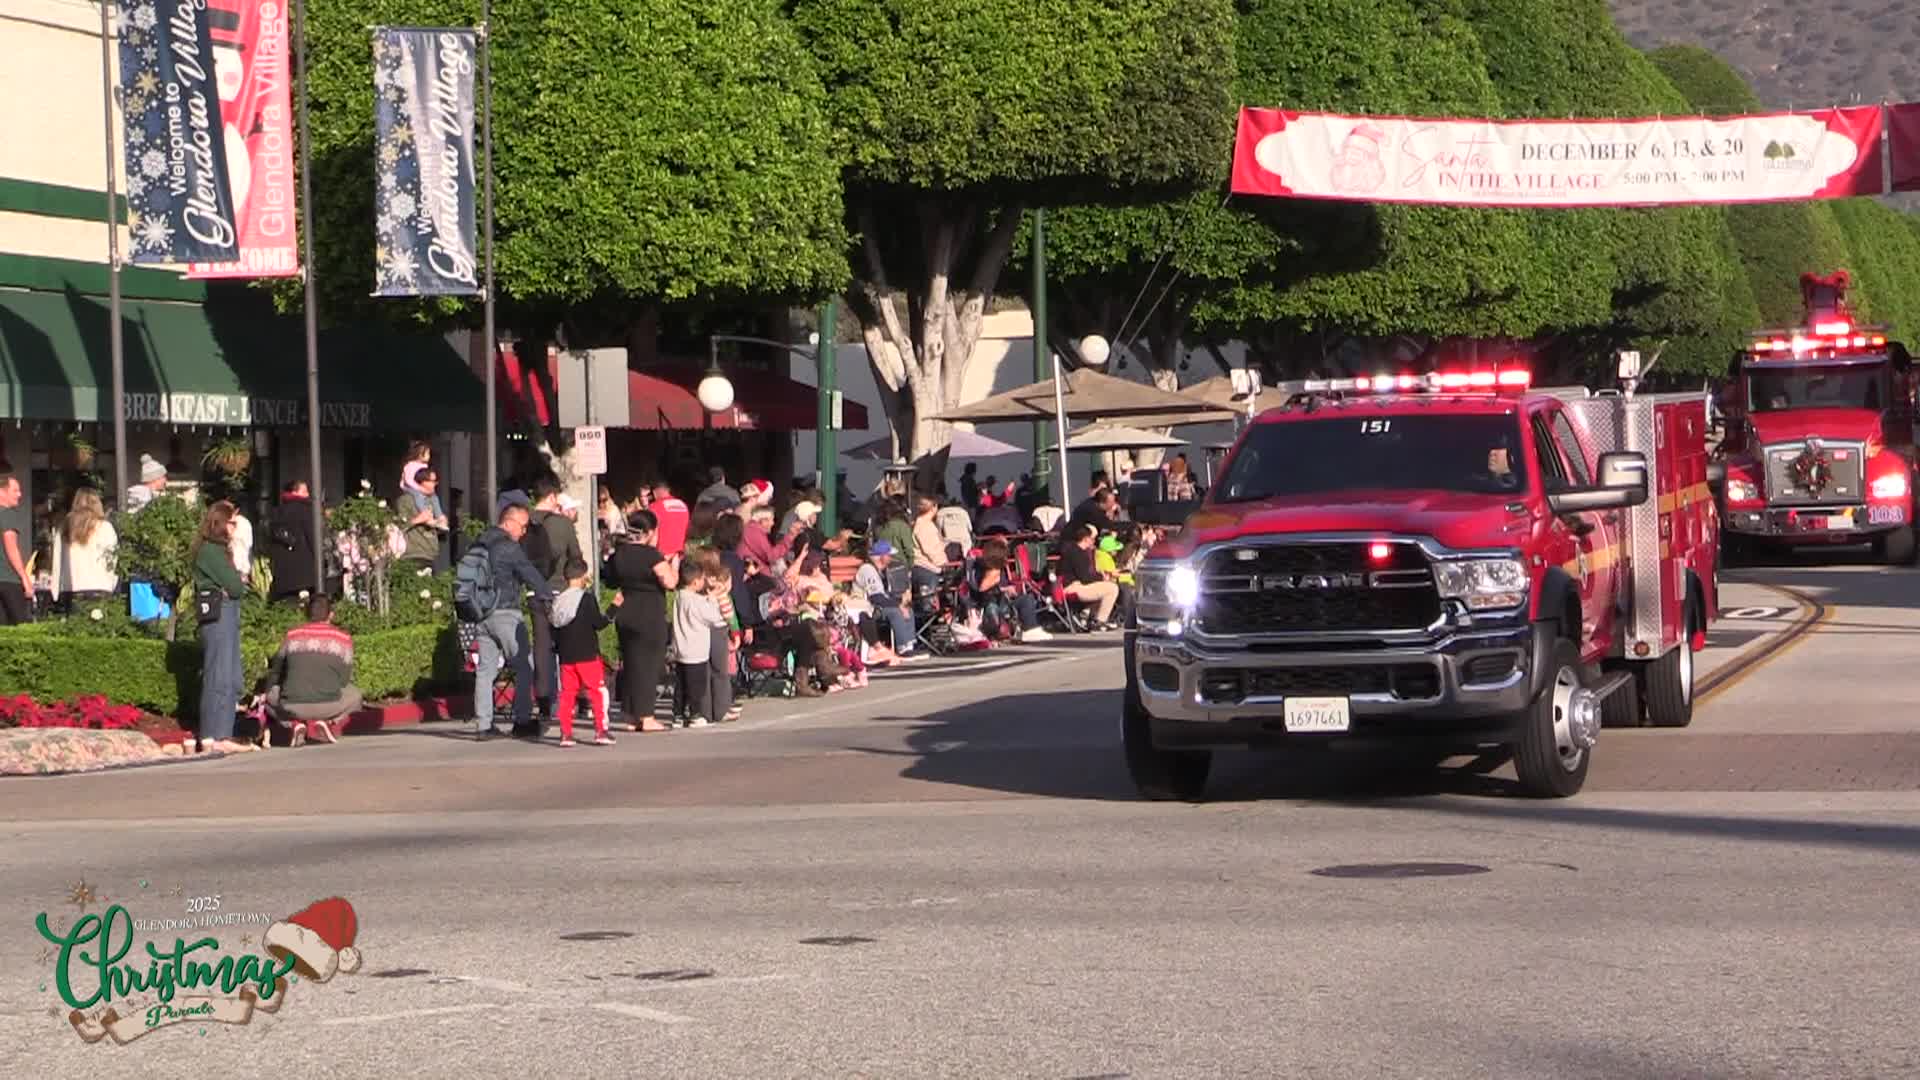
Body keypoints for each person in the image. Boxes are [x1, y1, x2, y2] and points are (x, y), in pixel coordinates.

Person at [468, 504, 556, 740]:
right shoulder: (509, 546)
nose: (524, 532)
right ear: (508, 522)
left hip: (481, 613)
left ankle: (483, 725)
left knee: (485, 670)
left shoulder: (478, 544)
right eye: (522, 526)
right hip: (505, 612)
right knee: (523, 665)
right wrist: (548, 595)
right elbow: (529, 573)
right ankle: (522, 720)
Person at [607, 509, 675, 733]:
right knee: (648, 665)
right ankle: (646, 716)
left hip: (626, 611)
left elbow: (609, 579)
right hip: (649, 613)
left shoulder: (620, 554)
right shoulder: (651, 555)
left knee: (631, 663)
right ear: (650, 532)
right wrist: (674, 564)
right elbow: (669, 582)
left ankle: (628, 715)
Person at [265, 593, 361, 745]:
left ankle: (295, 724)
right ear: (331, 615)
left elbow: (276, 671)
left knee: (268, 696)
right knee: (355, 695)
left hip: (292, 705)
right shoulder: (344, 638)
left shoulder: (292, 635)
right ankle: (326, 723)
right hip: (329, 705)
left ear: (306, 613)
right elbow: (344, 680)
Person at [193, 501, 251, 751]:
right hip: (219, 613)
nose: (234, 527)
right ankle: (212, 734)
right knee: (218, 672)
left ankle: (223, 733)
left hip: (227, 611)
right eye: (232, 522)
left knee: (228, 673)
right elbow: (236, 586)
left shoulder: (220, 550)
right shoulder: (210, 552)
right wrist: (235, 581)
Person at [526, 477, 582, 725]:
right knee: (570, 645)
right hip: (561, 590)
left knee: (542, 646)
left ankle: (544, 702)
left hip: (534, 592)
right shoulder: (562, 524)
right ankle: (573, 699)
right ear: (551, 498)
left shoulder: (523, 521)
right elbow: (576, 558)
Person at [549, 556, 617, 747]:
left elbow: (554, 627)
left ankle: (566, 734)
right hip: (587, 654)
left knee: (567, 694)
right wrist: (614, 608)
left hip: (566, 657)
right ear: (582, 577)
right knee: (597, 691)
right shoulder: (586, 599)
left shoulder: (558, 601)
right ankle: (601, 730)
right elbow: (598, 623)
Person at [670, 559, 728, 727]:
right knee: (696, 686)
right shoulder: (695, 601)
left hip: (681, 649)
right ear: (695, 582)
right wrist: (714, 600)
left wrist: (708, 598)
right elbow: (714, 618)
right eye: (702, 579)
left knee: (680, 686)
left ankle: (678, 715)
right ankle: (695, 715)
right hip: (696, 652)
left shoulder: (680, 597)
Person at [49, 488, 117, 610]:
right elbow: (112, 559)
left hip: (71, 588)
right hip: (99, 586)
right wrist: (111, 583)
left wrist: (55, 591)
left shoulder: (64, 527)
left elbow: (57, 560)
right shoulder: (105, 527)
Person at [975, 536, 1048, 643]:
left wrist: (1006, 588)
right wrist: (1004, 589)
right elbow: (982, 589)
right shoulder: (993, 571)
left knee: (1026, 598)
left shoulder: (996, 569)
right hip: (996, 606)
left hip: (1003, 601)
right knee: (1026, 600)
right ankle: (1030, 629)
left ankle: (1031, 627)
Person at [854, 540, 917, 656]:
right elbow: (876, 598)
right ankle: (903, 647)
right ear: (882, 556)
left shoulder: (878, 571)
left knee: (907, 608)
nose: (891, 558)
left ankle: (909, 644)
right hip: (866, 608)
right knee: (895, 611)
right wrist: (898, 604)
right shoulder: (868, 570)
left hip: (875, 604)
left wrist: (901, 603)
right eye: (889, 555)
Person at [266, 480, 318, 603]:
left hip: (283, 572)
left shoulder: (277, 511)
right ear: (295, 492)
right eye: (304, 491)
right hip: (304, 571)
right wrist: (320, 559)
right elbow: (312, 536)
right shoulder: (306, 510)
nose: (308, 494)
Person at [1059, 523, 1120, 629]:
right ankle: (1100, 621)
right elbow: (1085, 577)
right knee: (1112, 588)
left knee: (1104, 586)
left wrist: (1104, 575)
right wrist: (1103, 577)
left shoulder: (1073, 550)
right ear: (1086, 539)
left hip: (1075, 585)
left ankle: (1085, 614)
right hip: (1073, 588)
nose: (1094, 541)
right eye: (1093, 538)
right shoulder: (1077, 553)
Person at [395, 466, 448, 572]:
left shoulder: (432, 501)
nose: (435, 484)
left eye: (436, 481)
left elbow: (437, 531)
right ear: (421, 482)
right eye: (432, 481)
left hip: (430, 554)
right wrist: (418, 519)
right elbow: (399, 527)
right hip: (413, 554)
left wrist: (441, 523)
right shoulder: (405, 500)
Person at [0, 469, 30, 625]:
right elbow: (11, 547)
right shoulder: (7, 514)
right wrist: (24, 577)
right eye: (15, 490)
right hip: (8, 579)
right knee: (20, 626)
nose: (19, 494)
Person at [910, 494, 946, 606]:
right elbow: (931, 550)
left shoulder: (919, 524)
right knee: (928, 606)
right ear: (934, 507)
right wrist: (944, 563)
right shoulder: (925, 526)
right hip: (927, 569)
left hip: (922, 568)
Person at [649, 481, 691, 557]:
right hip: (678, 554)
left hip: (661, 555)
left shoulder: (654, 507)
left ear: (655, 492)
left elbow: (649, 532)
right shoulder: (682, 504)